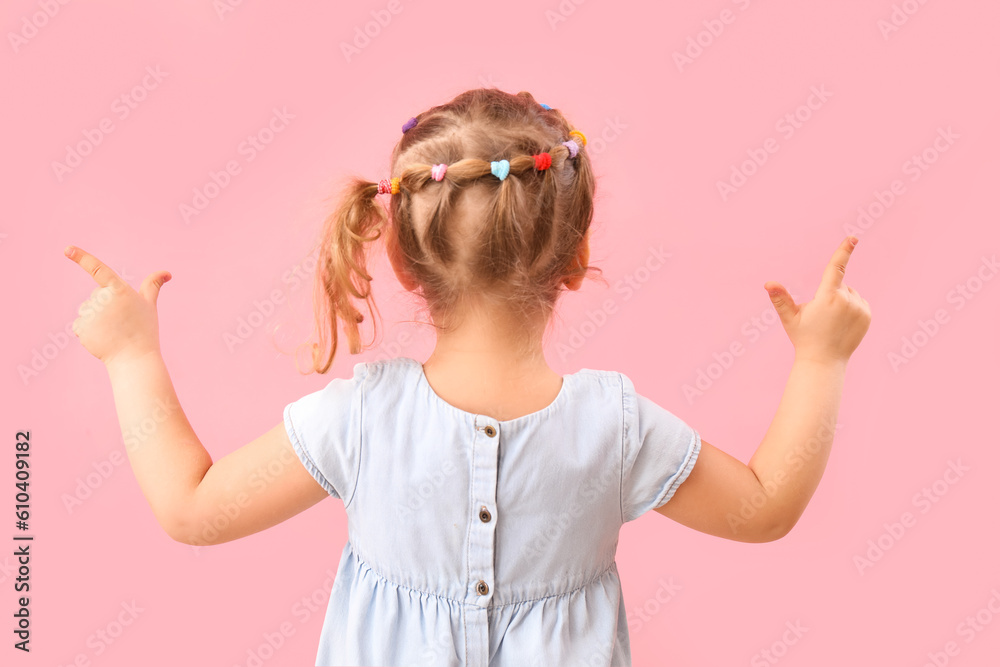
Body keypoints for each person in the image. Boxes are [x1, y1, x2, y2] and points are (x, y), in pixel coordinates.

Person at [65, 88, 871, 666]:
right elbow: (767, 507)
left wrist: (133, 355)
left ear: (406, 266)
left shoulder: (362, 419)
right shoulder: (615, 428)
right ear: (577, 257)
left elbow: (192, 507)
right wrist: (821, 358)